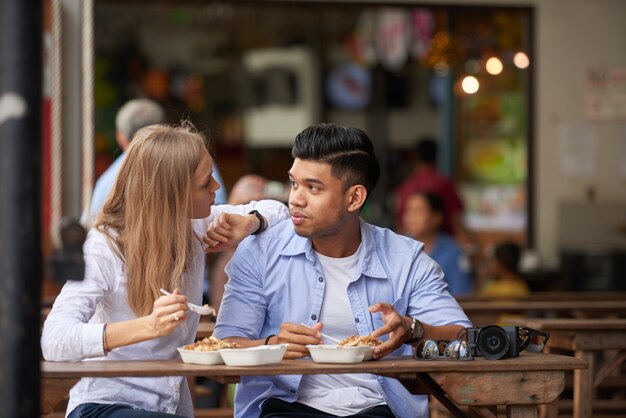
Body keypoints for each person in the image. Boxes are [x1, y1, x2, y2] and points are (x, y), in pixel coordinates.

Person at [214, 123, 471, 418]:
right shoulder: (260, 251)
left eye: (313, 187)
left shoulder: (406, 259)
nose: (295, 198)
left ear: (354, 198)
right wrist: (271, 345)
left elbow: (462, 336)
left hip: (379, 409)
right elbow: (226, 345)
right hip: (284, 407)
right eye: (294, 183)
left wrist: (412, 329)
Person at [41, 122, 289, 418]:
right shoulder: (105, 245)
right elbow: (54, 340)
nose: (217, 188)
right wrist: (147, 326)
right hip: (103, 405)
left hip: (169, 409)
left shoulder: (196, 223)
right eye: (205, 182)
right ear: (172, 192)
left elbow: (280, 212)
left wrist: (252, 221)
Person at [80, 98, 228, 227]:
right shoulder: (196, 156)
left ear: (120, 138)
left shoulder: (107, 181)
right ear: (165, 129)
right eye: (206, 182)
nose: (215, 186)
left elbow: (89, 225)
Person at [393, 138, 469, 245]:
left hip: (422, 246)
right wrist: (469, 245)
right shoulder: (444, 183)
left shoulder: (406, 186)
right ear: (437, 157)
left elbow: (399, 225)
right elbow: (456, 220)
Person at [401, 191, 473, 296]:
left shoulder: (454, 252)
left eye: (419, 210)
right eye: (408, 210)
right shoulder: (399, 247)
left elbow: (461, 294)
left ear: (436, 218)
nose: (411, 216)